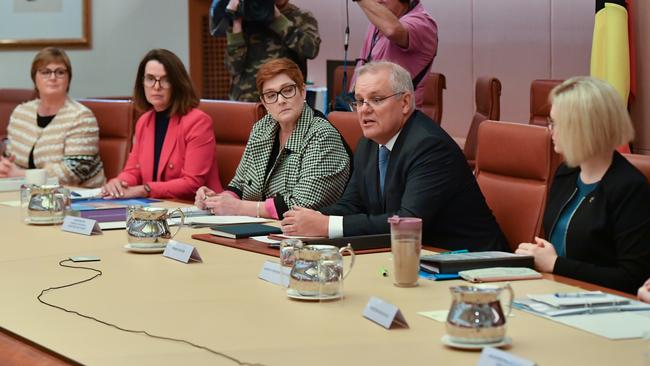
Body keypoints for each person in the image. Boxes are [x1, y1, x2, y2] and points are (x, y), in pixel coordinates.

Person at [281, 61, 507, 252]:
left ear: (405, 102)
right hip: (414, 258)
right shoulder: (368, 144)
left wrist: (327, 225)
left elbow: (408, 222)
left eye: (376, 100)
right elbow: (351, 205)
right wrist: (306, 219)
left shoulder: (429, 146)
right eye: (359, 101)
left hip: (472, 264)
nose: (364, 110)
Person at [516, 77, 650, 294]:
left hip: (603, 307)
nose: (550, 131)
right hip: (552, 292)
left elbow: (631, 277)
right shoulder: (565, 174)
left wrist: (555, 264)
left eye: (556, 123)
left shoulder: (629, 187)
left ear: (582, 129)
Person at [194, 58, 350, 219]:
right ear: (264, 102)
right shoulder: (262, 128)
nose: (281, 100)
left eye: (288, 90)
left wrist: (239, 207)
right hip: (260, 230)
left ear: (303, 91)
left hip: (307, 237)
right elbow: (239, 184)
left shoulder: (323, 136)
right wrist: (219, 200)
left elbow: (303, 203)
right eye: (271, 95)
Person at [101, 49, 222, 201]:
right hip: (156, 207)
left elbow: (192, 184)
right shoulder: (144, 121)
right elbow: (133, 171)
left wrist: (145, 189)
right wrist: (118, 183)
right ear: (142, 82)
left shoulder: (198, 122)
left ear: (177, 84)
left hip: (193, 208)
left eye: (165, 80)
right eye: (150, 78)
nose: (156, 87)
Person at [1, 47, 105, 187]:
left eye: (60, 72)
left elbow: (73, 173)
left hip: (79, 196)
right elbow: (11, 159)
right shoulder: (21, 113)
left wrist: (20, 174)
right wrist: (5, 167)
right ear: (34, 78)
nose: (53, 78)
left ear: (68, 78)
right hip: (30, 193)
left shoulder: (82, 117)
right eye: (45, 72)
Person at [225, 0, 320, 102]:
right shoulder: (246, 17)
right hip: (246, 101)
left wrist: (277, 18)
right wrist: (236, 21)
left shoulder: (301, 16)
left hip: (284, 100)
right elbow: (233, 67)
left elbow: (311, 50)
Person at [352, 0, 437, 109]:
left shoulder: (424, 23)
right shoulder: (378, 22)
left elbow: (393, 30)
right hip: (365, 111)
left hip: (400, 118)